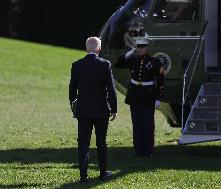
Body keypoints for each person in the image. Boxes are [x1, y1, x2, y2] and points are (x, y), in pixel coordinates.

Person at [69, 37, 117, 183]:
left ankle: (83, 176)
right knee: (101, 142)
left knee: (83, 144)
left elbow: (72, 89)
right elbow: (111, 89)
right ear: (98, 48)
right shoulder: (105, 64)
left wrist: (73, 105)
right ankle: (103, 173)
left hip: (83, 111)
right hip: (101, 110)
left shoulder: (77, 65)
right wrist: (114, 108)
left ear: (86, 48)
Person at [114, 37, 165, 157]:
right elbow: (118, 64)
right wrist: (129, 52)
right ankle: (138, 150)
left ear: (147, 48)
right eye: (138, 47)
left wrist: (158, 98)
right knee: (136, 124)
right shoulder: (132, 59)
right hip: (135, 95)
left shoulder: (154, 62)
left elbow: (161, 80)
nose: (140, 49)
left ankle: (148, 151)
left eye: (143, 47)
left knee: (148, 124)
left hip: (148, 95)